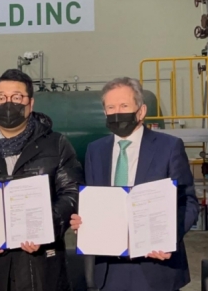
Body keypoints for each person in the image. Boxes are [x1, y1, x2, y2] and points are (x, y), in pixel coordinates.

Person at [0, 68, 84, 291]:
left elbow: (71, 191)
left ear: (30, 103)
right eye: (1, 97)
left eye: (17, 97)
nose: (8, 104)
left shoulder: (56, 144)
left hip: (41, 263)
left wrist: (46, 229)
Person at [70, 77, 199, 291]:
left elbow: (188, 202)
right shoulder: (95, 150)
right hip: (109, 267)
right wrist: (82, 221)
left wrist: (167, 238)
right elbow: (94, 200)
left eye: (124, 106)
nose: (117, 112)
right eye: (111, 107)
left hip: (156, 265)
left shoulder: (169, 147)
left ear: (141, 111)